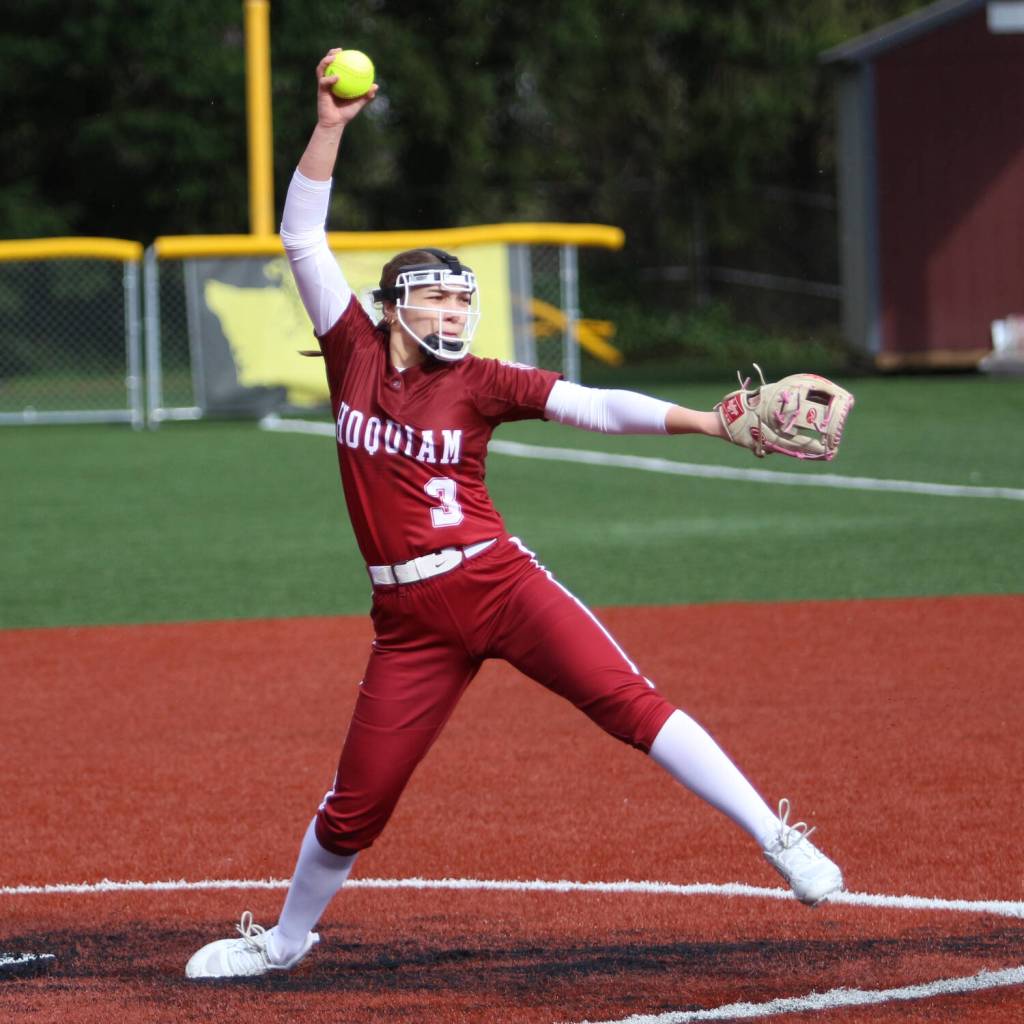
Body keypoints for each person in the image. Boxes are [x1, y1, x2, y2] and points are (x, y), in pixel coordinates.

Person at [185, 49, 844, 980]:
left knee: (629, 703)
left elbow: (592, 404)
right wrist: (331, 127)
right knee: (356, 803)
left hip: (497, 583)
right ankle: (287, 940)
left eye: (462, 298)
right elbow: (301, 236)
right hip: (407, 623)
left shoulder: (482, 381)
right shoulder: (353, 352)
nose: (453, 312)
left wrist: (702, 420)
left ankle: (779, 839)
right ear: (390, 309)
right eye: (436, 298)